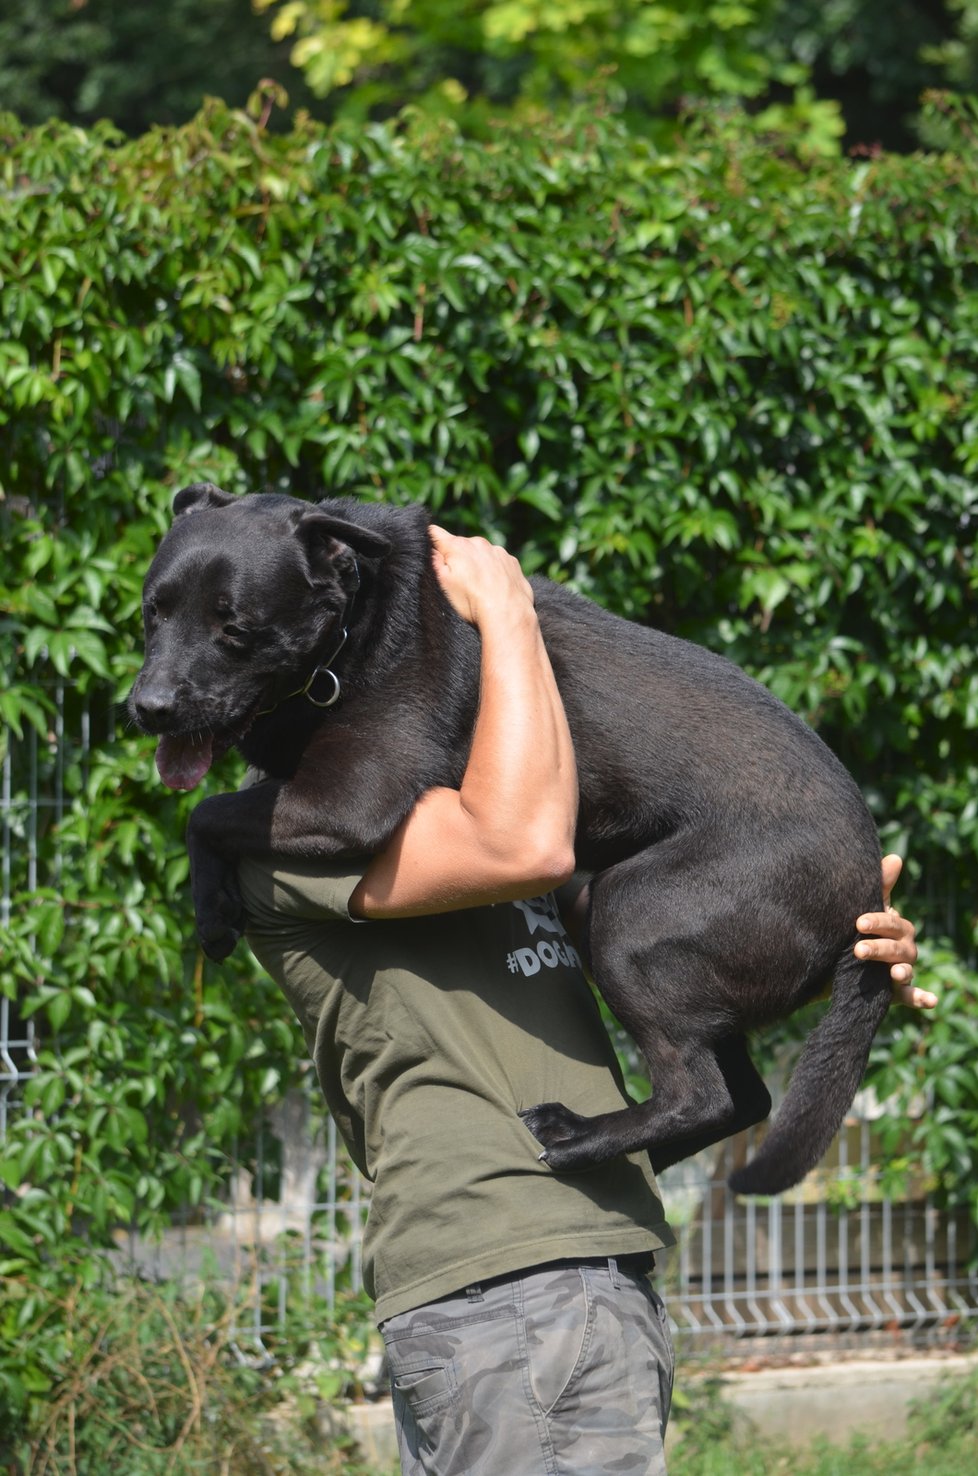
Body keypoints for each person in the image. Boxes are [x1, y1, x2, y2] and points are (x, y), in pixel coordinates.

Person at [239, 528, 928, 1476]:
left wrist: (833, 938)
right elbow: (525, 846)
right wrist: (512, 609)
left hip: (569, 1278)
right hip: (502, 1281)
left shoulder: (475, 787)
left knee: (639, 925)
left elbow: (664, 930)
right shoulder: (295, 821)